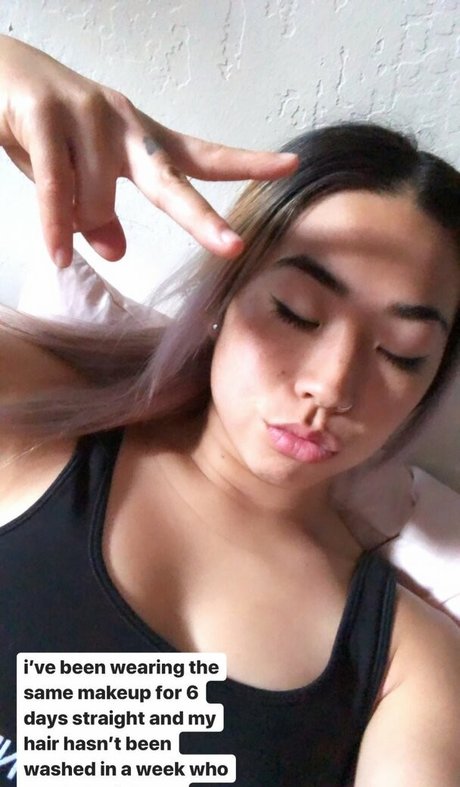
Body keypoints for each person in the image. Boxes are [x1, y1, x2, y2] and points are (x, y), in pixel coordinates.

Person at [0, 34, 459, 787]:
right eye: (297, 311)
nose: (331, 387)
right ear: (224, 296)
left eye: (401, 353)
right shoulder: (33, 413)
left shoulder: (409, 667)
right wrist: (8, 72)